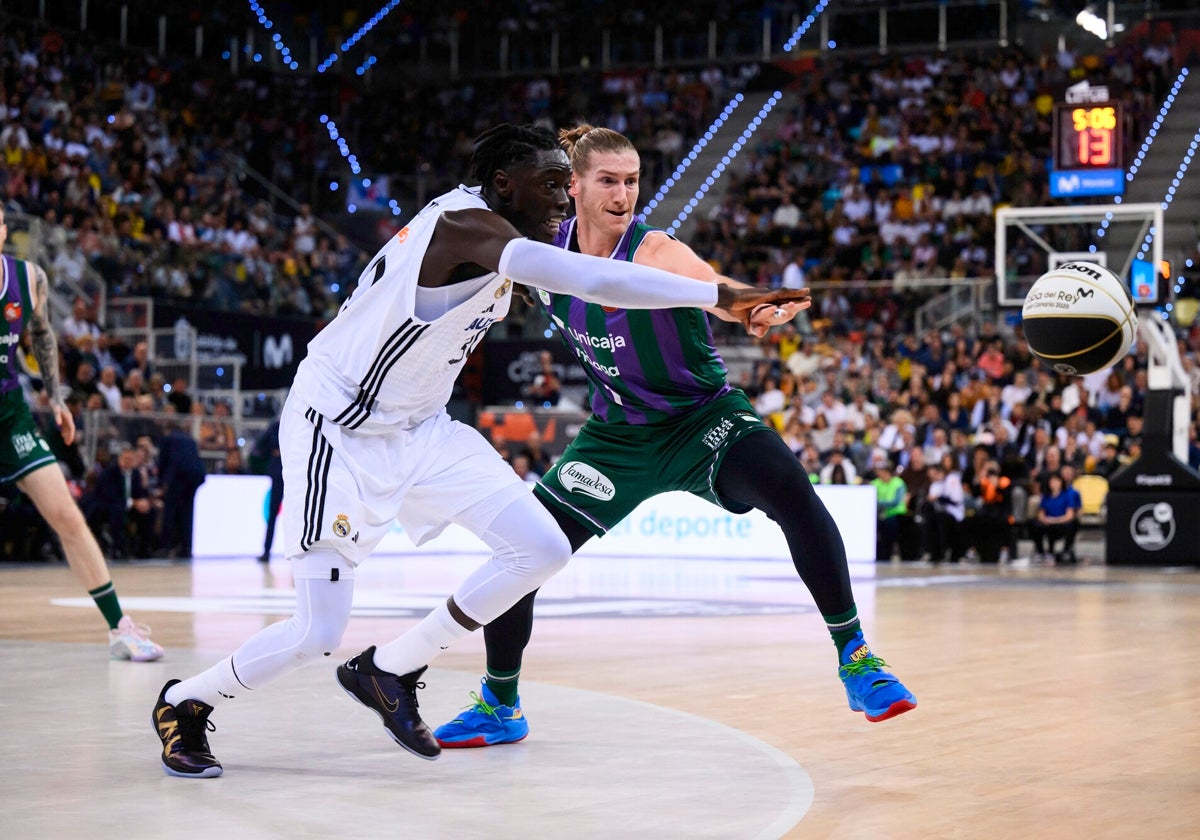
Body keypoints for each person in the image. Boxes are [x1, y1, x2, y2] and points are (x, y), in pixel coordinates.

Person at [151, 124, 803, 779]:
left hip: (423, 429)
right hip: (339, 427)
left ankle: (390, 669)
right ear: (501, 186)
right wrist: (722, 295)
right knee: (318, 631)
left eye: (566, 183)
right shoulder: (467, 227)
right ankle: (185, 704)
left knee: (542, 548)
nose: (563, 197)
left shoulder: (507, 233)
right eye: (551, 185)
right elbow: (593, 279)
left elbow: (600, 270)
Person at [433, 125, 915, 751]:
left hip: (702, 420)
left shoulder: (654, 250)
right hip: (617, 438)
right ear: (573, 185)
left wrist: (752, 307)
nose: (623, 193)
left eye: (632, 180)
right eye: (608, 180)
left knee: (794, 496)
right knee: (522, 552)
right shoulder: (541, 254)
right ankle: (501, 703)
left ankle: (857, 659)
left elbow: (717, 292)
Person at [0, 206, 162, 660]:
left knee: (68, 517)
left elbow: (43, 335)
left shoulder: (29, 277)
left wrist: (56, 399)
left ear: (4, 230)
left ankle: (120, 629)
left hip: (11, 415)